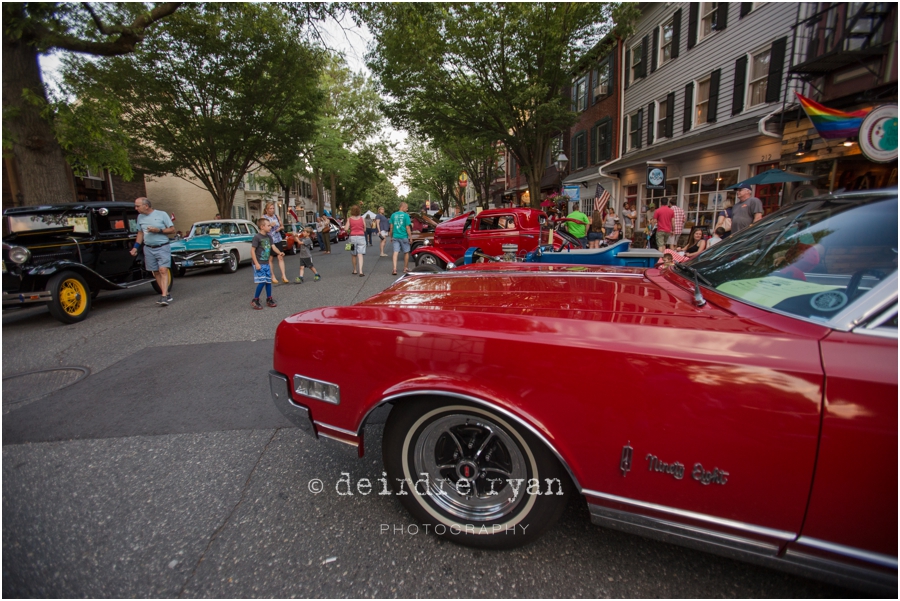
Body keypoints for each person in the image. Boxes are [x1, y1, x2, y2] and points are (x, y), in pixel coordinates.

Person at [130, 197, 174, 306]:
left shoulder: (162, 214)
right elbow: (140, 233)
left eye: (137, 206)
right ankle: (166, 293)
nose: (136, 208)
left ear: (146, 206)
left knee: (163, 270)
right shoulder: (140, 217)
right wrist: (135, 247)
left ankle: (163, 296)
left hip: (162, 246)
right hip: (148, 248)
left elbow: (172, 230)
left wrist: (158, 230)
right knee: (156, 272)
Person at [250, 217, 282, 309]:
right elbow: (252, 251)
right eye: (268, 226)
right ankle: (255, 300)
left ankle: (269, 298)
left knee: (268, 281)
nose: (270, 227)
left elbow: (273, 247)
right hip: (259, 263)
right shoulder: (257, 237)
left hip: (266, 263)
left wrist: (279, 252)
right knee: (262, 281)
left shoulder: (269, 237)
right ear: (262, 227)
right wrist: (256, 263)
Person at [263, 202, 289, 284]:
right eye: (270, 208)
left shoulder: (277, 216)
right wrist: (270, 225)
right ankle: (272, 276)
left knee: (280, 256)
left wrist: (279, 228)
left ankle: (283, 275)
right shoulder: (264, 218)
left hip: (277, 239)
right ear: (266, 210)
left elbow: (282, 226)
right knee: (270, 258)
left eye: (273, 208)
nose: (272, 210)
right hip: (268, 240)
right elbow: (262, 228)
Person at [389, 202, 413, 276]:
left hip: (395, 236)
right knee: (406, 252)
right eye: (406, 207)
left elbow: (391, 227)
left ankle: (394, 269)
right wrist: (410, 237)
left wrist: (391, 236)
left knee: (395, 252)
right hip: (404, 236)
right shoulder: (406, 216)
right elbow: (408, 227)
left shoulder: (393, 215)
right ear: (402, 207)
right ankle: (405, 268)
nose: (407, 209)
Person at [346, 205, 367, 277]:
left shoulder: (349, 219)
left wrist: (350, 229)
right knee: (360, 254)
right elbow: (365, 229)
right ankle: (361, 271)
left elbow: (345, 228)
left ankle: (355, 270)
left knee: (353, 254)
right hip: (361, 237)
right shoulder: (362, 218)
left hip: (352, 237)